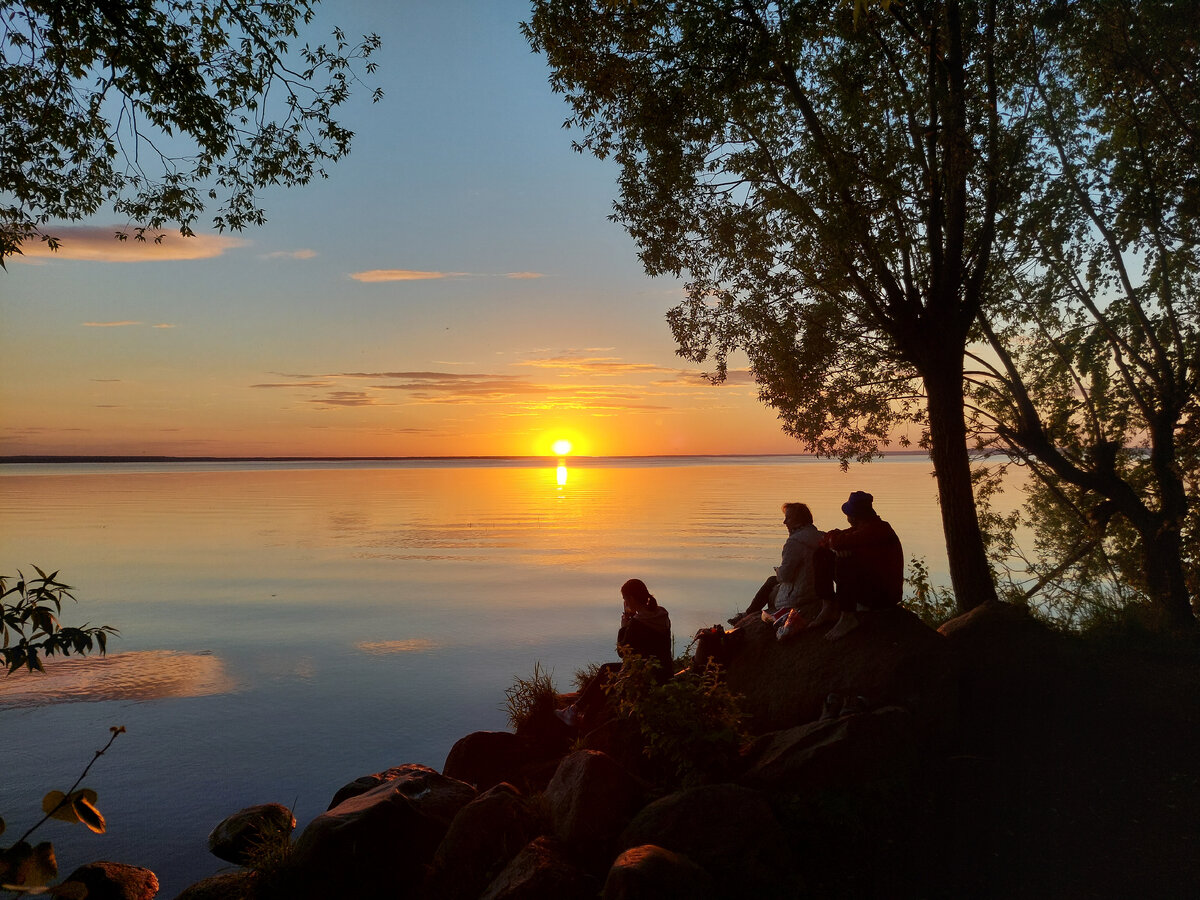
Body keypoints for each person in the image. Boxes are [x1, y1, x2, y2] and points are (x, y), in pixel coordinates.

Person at [556, 578, 672, 729]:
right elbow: (645, 647)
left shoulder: (637, 624)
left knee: (607, 676)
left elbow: (623, 652)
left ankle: (580, 715)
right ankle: (576, 711)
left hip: (647, 676)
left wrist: (623, 627)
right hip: (664, 671)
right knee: (606, 668)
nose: (625, 602)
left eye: (625, 599)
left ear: (630, 599)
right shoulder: (661, 615)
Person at [811, 491, 904, 641]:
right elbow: (827, 538)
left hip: (883, 596)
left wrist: (836, 545)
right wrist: (835, 545)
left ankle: (848, 617)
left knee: (844, 561)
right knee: (822, 554)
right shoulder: (863, 527)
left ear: (853, 516)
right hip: (869, 586)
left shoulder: (877, 530)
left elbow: (836, 541)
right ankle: (828, 605)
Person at [729, 502, 823, 626]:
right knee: (773, 581)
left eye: (788, 518)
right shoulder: (821, 536)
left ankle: (749, 615)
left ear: (799, 521)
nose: (784, 522)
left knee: (772, 581)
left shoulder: (794, 542)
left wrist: (779, 571)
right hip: (816, 592)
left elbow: (785, 576)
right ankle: (749, 613)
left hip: (799, 597)